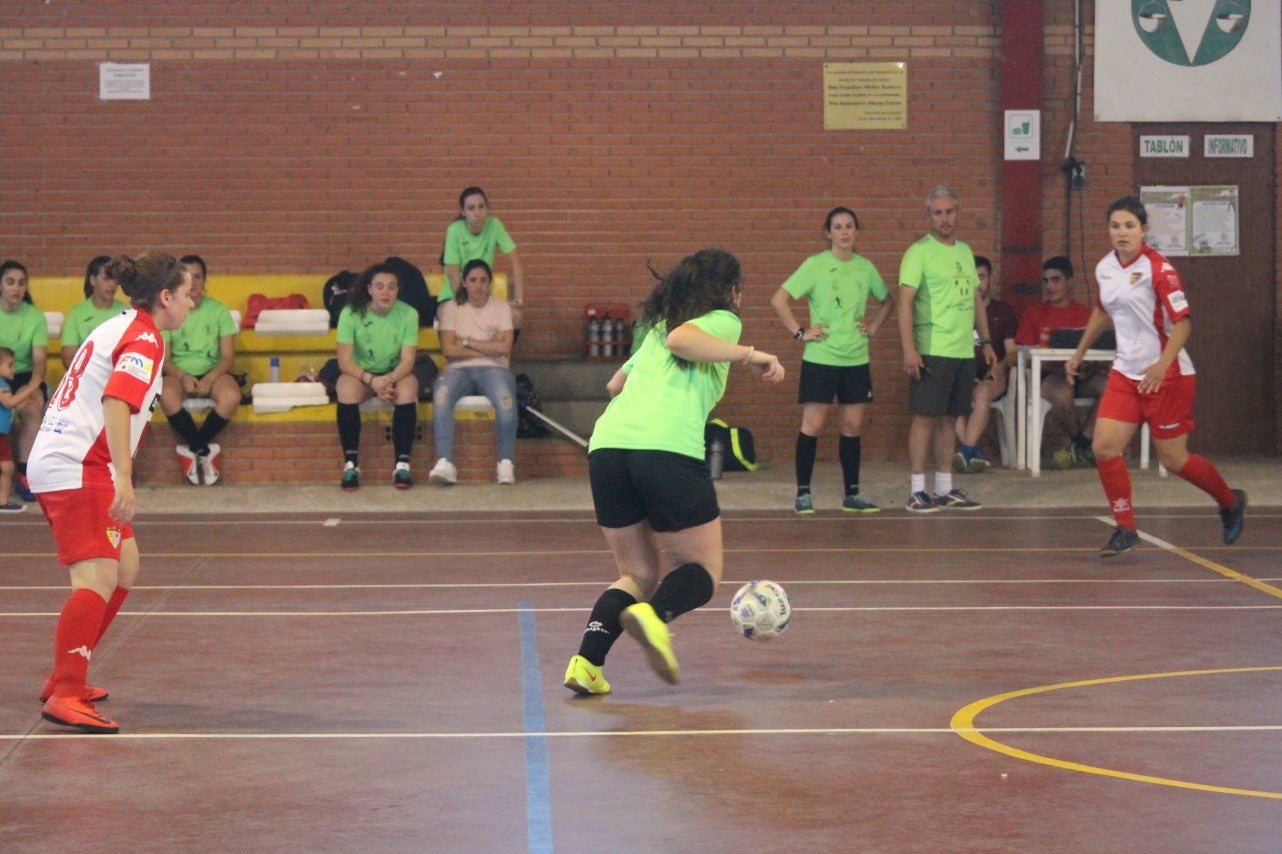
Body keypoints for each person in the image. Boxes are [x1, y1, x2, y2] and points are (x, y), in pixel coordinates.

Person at [562, 248, 785, 695]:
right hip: (665, 447)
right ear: (730, 291)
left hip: (608, 449)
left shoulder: (655, 327)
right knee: (701, 570)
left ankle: (587, 664)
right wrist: (751, 354)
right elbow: (682, 341)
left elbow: (615, 384)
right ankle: (653, 617)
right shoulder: (721, 320)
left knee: (639, 573)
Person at [28, 250, 194, 733]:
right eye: (188, 295)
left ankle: (65, 673)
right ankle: (66, 691)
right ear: (166, 297)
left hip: (72, 458)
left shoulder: (124, 324)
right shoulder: (145, 337)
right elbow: (117, 400)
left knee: (125, 566)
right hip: (81, 464)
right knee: (96, 577)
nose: (192, 303)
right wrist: (123, 475)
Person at [1067, 195, 1245, 558]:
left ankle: (1230, 501)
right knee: (1104, 447)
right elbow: (1102, 310)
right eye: (1115, 226)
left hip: (1168, 376)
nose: (1122, 233)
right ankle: (1125, 529)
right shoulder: (1105, 267)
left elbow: (1184, 323)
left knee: (1173, 459)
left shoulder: (1160, 269)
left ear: (1144, 230)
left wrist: (1162, 365)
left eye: (1129, 226)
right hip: (1125, 372)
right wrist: (1079, 351)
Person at [770, 206, 893, 514]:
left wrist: (874, 326)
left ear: (856, 231)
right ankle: (803, 494)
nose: (844, 232)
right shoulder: (815, 265)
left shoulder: (865, 267)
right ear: (828, 233)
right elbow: (779, 299)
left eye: (849, 226)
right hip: (821, 358)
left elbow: (888, 300)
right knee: (813, 424)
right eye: (837, 227)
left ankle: (852, 493)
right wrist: (800, 332)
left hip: (856, 358)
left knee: (851, 426)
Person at [896, 187, 993, 512]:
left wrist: (986, 341)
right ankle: (917, 491)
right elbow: (904, 302)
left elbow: (975, 299)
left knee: (951, 419)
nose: (945, 218)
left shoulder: (964, 251)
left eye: (950, 212)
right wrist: (909, 348)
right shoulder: (918, 252)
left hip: (963, 351)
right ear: (929, 216)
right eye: (938, 213)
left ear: (957, 214)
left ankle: (944, 488)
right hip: (932, 348)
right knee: (925, 417)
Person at [429, 259, 518, 486]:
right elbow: (449, 350)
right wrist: (489, 345)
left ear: (489, 282)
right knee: (441, 397)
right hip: (458, 370)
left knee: (506, 401)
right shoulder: (451, 308)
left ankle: (505, 463)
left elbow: (505, 348)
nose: (478, 286)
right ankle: (445, 462)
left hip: (495, 369)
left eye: (483, 280)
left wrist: (466, 341)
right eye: (473, 280)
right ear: (464, 283)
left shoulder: (501, 308)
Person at [334, 262, 420, 490]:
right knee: (345, 389)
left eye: (391, 287)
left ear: (398, 290)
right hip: (362, 375)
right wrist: (372, 380)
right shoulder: (350, 313)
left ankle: (402, 465)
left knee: (408, 390)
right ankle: (351, 465)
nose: (385, 292)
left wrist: (388, 380)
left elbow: (408, 360)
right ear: (369, 289)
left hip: (394, 374)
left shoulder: (409, 314)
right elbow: (344, 361)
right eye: (379, 286)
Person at [157, 255, 239, 485]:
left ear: (204, 280)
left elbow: (228, 357)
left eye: (197, 276)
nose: (192, 283)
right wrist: (183, 376)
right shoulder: (169, 311)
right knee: (165, 395)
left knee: (231, 396)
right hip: (178, 372)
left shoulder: (218, 310)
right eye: (187, 277)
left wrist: (210, 378)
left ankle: (193, 447)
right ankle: (205, 450)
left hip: (213, 372)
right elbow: (164, 359)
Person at [1015, 256, 1103, 468]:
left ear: (1069, 282)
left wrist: (1088, 368)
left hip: (1082, 375)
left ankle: (1081, 446)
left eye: (1056, 280)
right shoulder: (1033, 313)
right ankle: (1083, 446)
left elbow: (1100, 354)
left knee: (1112, 387)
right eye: (1045, 281)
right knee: (1061, 394)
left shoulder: (1086, 315)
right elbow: (1022, 356)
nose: (1049, 286)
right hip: (1050, 376)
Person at [954, 255, 1019, 472]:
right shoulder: (957, 311)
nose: (977, 283)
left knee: (982, 392)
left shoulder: (1003, 312)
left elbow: (1012, 352)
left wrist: (1000, 366)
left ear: (991, 279)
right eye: (971, 278)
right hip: (963, 374)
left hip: (993, 377)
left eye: (981, 277)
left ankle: (966, 451)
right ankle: (970, 453)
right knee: (950, 394)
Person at [440, 186, 525, 330]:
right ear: (463, 212)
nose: (477, 212)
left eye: (481, 206)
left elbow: (516, 261)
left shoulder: (494, 225)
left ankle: (499, 345)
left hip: (483, 296)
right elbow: (452, 273)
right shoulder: (454, 230)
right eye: (471, 208)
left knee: (516, 316)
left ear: (487, 209)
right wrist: (469, 303)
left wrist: (519, 299)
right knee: (452, 315)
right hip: (456, 296)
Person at [0, 260, 48, 503]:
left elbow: (39, 360)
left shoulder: (35, 317)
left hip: (24, 375)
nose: (16, 288)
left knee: (32, 408)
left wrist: (33, 387)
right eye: (10, 282)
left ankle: (24, 473)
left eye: (21, 283)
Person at [60, 255, 127, 368]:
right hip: (86, 375)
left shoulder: (127, 312)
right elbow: (69, 358)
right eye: (106, 278)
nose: (112, 285)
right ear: (93, 280)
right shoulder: (76, 313)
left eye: (115, 279)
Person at [0, 346, 32, 512]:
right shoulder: (2, 385)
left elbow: (8, 409)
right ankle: (3, 502)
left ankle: (3, 501)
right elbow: (9, 403)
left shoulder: (4, 384)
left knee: (7, 468)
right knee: (8, 468)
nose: (13, 369)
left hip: (2, 433)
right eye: (10, 365)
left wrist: (20, 405)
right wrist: (31, 388)